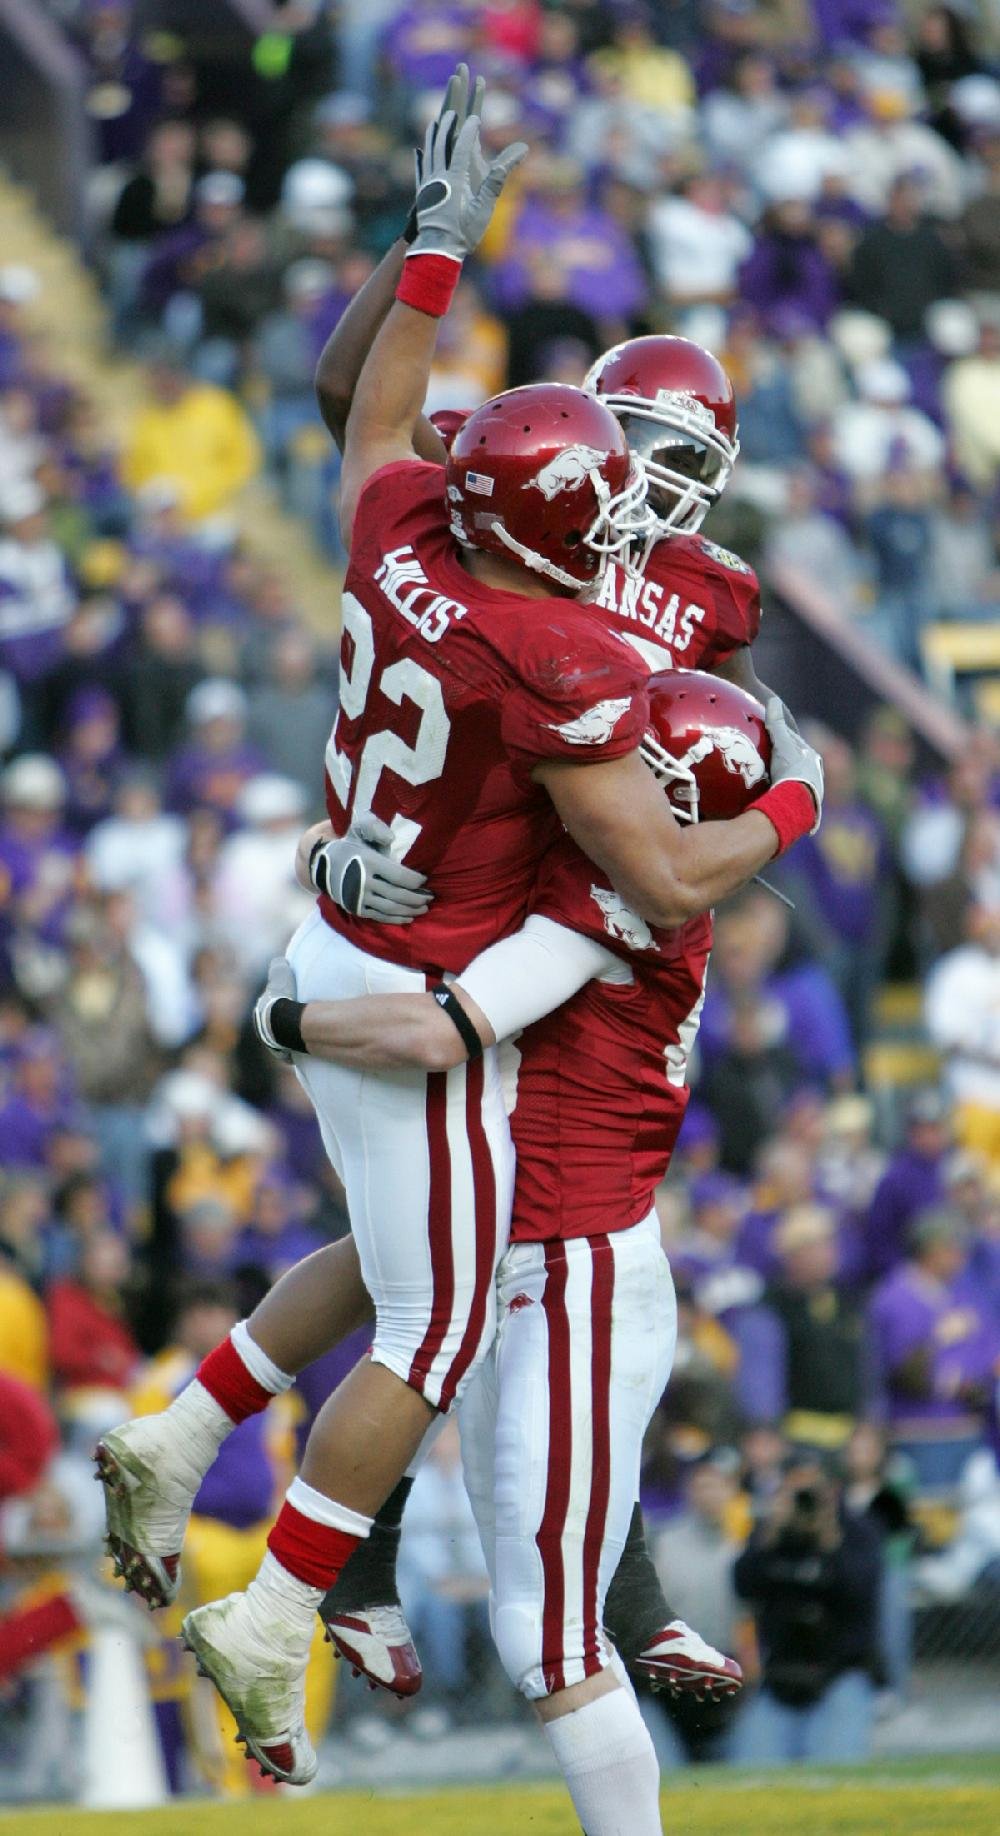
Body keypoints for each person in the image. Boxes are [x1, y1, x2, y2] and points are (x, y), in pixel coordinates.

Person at [97, 69, 822, 1809]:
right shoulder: (542, 603)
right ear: (570, 458)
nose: (643, 491)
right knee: (457, 1303)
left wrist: (430, 254)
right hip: (525, 935)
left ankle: (244, 1471)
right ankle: (317, 1583)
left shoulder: (457, 527)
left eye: (671, 467)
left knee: (431, 1267)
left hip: (457, 924)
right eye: (617, 453)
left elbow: (366, 417)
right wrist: (785, 804)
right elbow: (648, 854)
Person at [731, 1454, 881, 1764]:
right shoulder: (771, 1535)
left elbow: (860, 1595)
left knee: (835, 1768)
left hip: (841, 1673)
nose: (804, 1500)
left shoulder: (857, 1533)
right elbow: (742, 1586)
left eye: (812, 1490)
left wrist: (829, 1540)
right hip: (780, 1677)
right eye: (794, 1490)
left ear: (833, 1490)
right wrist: (770, 1535)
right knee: (750, 1771)